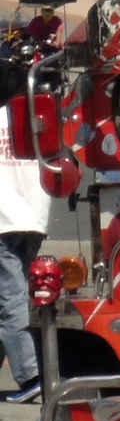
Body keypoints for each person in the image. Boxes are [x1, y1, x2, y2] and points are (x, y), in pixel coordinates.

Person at [0, 66, 50, 403]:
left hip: (2, 221)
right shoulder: (38, 120)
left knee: (11, 301)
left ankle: (30, 375)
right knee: (12, 298)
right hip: (33, 219)